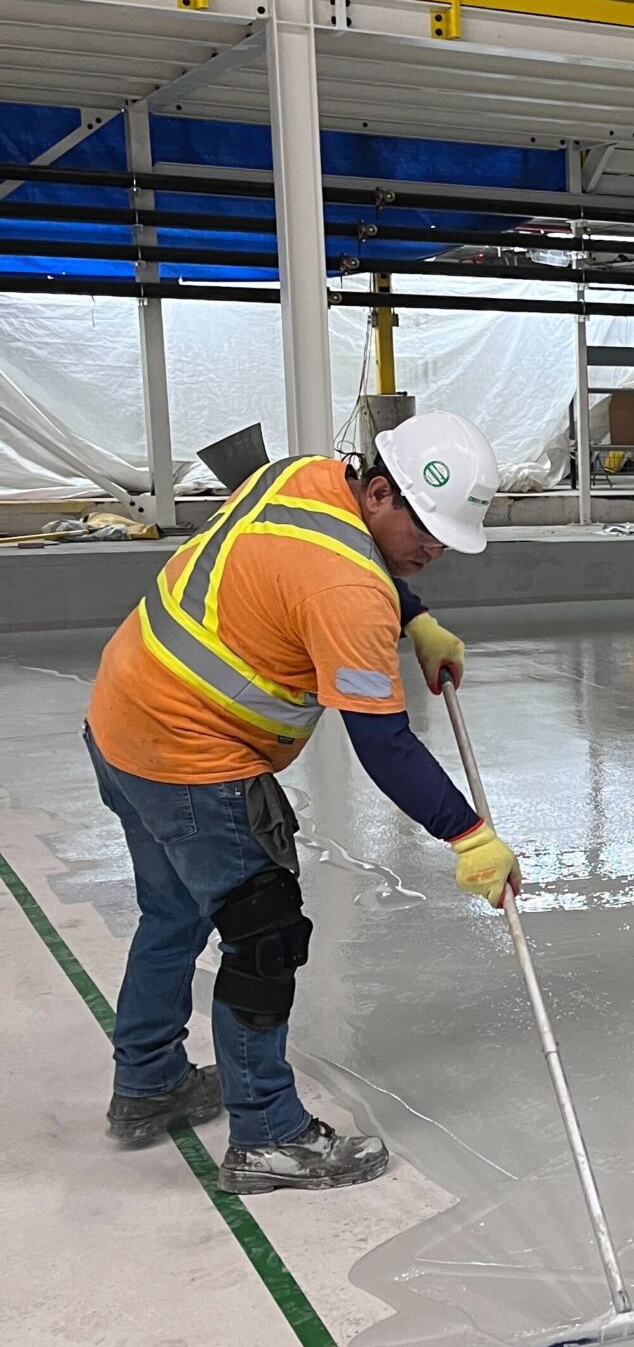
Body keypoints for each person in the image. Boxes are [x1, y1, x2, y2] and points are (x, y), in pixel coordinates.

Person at [85, 412, 524, 1195]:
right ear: (380, 492)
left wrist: (415, 616)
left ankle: (149, 1083)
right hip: (193, 756)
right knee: (265, 935)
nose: (435, 552)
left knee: (174, 912)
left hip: (123, 721)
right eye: (427, 532)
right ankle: (267, 1136)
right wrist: (468, 835)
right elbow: (383, 744)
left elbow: (326, 549)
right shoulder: (349, 594)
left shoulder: (304, 475)